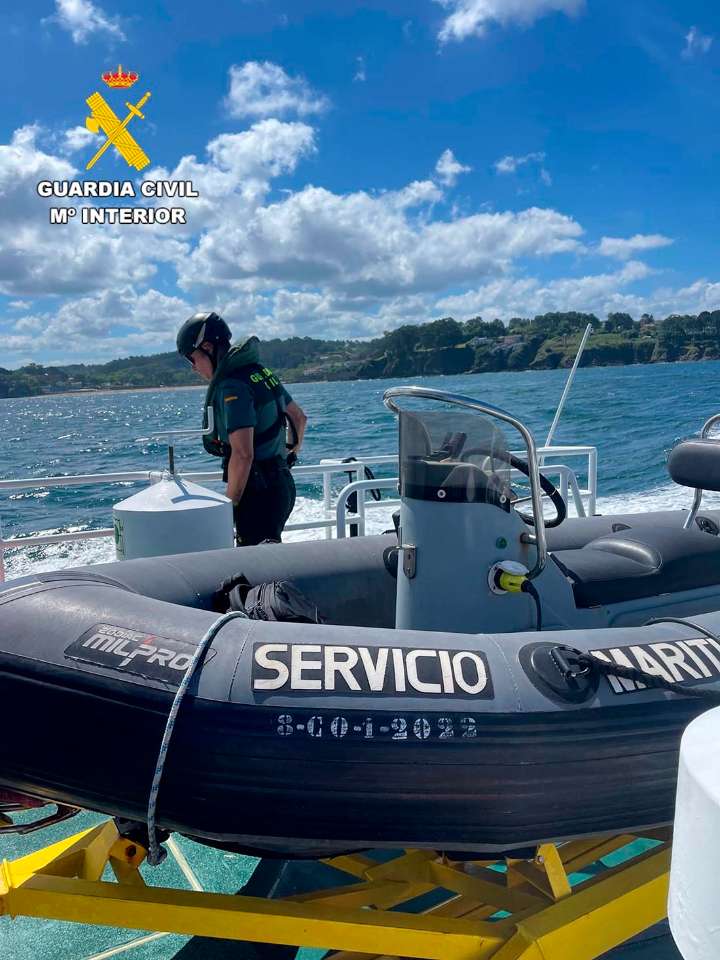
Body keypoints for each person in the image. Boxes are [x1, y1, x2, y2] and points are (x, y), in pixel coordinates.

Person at [176, 311, 307, 546]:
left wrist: (230, 507)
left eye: (192, 358)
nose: (193, 367)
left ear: (207, 347)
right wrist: (290, 456)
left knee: (258, 569)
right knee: (270, 556)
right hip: (283, 485)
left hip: (258, 495)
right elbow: (299, 418)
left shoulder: (232, 386)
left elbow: (243, 453)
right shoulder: (260, 373)